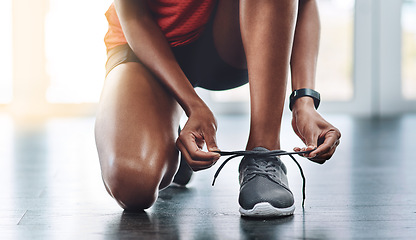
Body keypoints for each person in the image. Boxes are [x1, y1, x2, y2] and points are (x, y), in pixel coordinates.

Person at [95, 0, 341, 217]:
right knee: (133, 184)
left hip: (224, 39)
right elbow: (133, 16)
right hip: (148, 45)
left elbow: (305, 3)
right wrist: (193, 105)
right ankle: (166, 135)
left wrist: (304, 102)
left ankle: (264, 151)